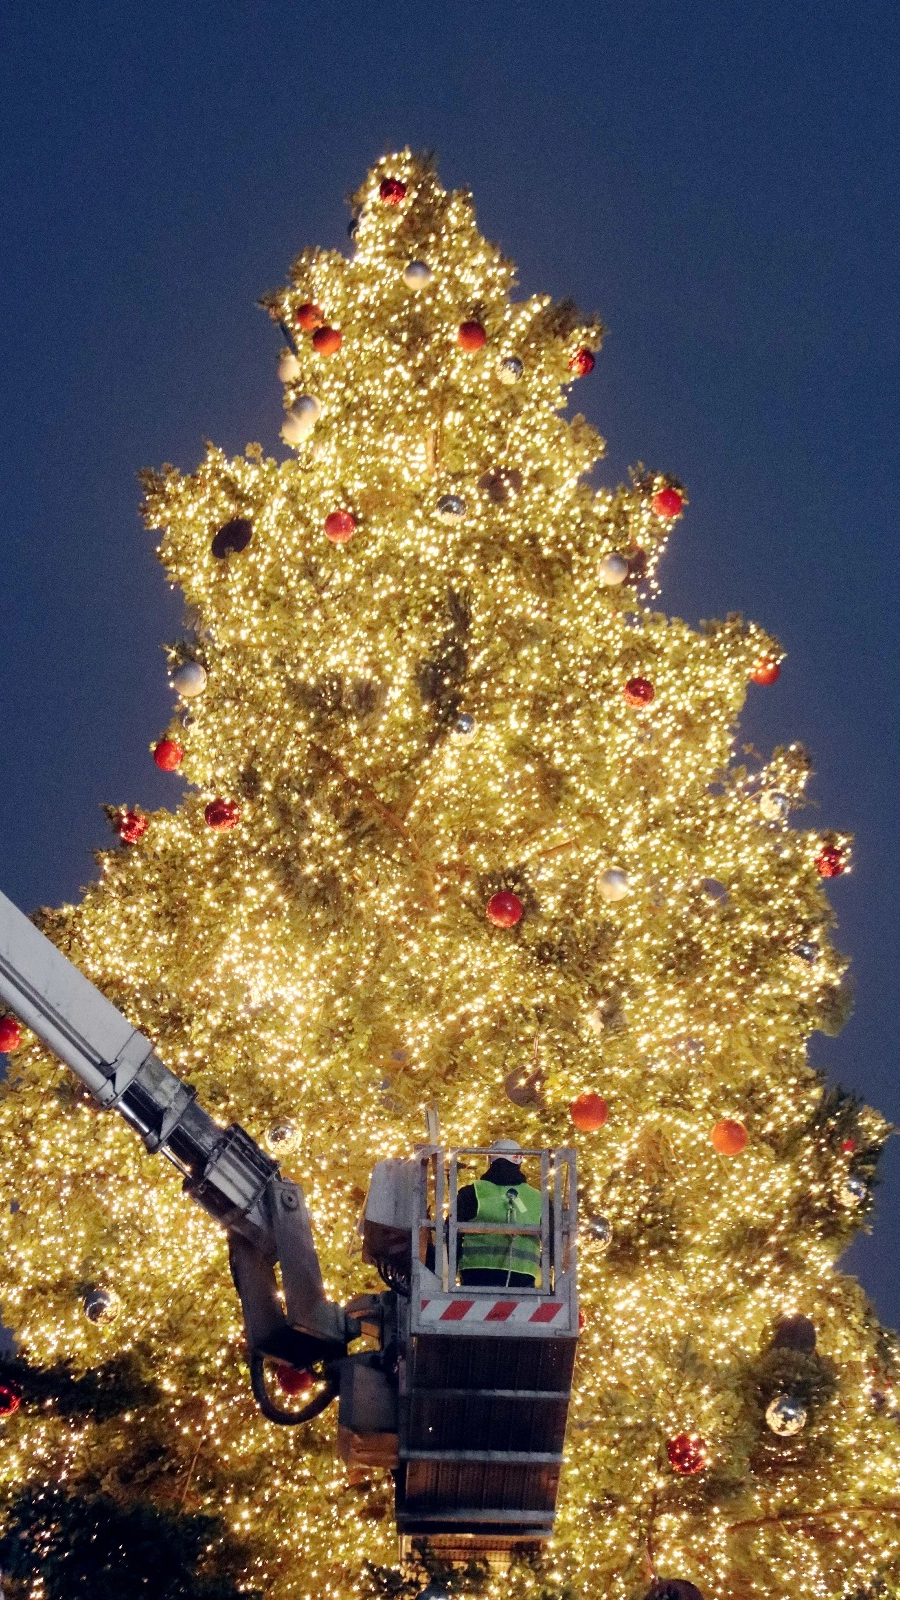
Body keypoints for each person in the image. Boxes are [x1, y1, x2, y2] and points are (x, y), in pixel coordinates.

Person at [456, 1138, 543, 1287]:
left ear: (489, 1160)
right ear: (519, 1161)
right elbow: (554, 1242)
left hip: (476, 1275)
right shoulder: (538, 1199)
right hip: (522, 1277)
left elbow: (450, 1237)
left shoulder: (471, 1193)